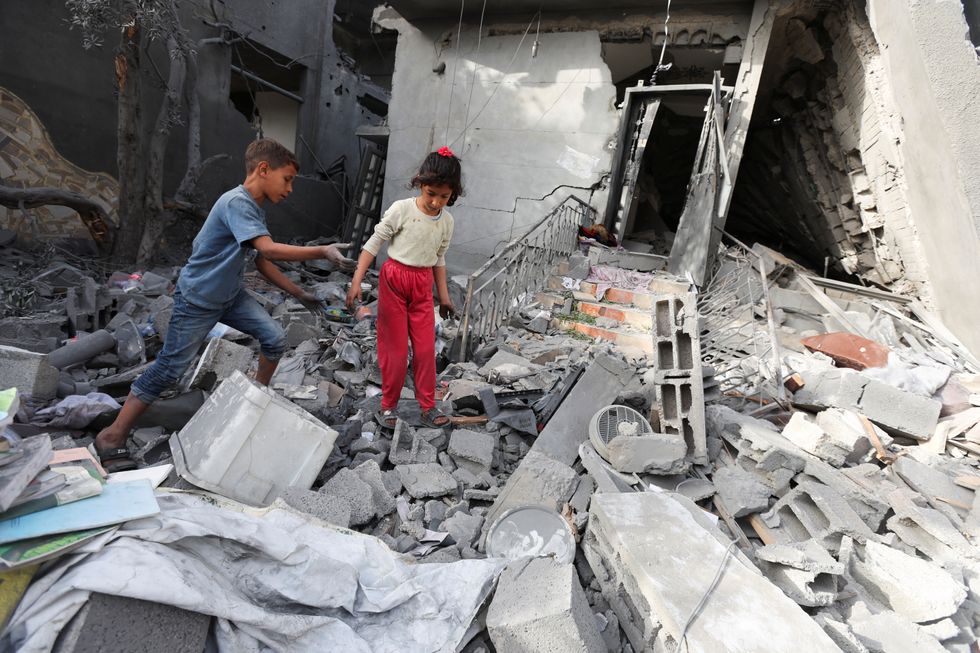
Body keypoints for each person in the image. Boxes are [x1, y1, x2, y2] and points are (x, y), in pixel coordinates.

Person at [95, 138, 353, 471]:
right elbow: (270, 249)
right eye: (287, 179)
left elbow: (260, 260)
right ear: (263, 169)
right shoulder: (237, 202)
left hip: (230, 297)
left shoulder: (253, 208)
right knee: (170, 369)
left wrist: (299, 294)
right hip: (198, 300)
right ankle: (112, 436)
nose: (290, 189)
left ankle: (256, 402)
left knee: (274, 338)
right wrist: (322, 251)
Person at [345, 147, 462, 430]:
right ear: (421, 184)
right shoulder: (402, 209)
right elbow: (373, 244)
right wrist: (356, 280)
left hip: (422, 286)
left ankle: (427, 406)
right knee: (395, 351)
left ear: (453, 195)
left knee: (424, 350)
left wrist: (444, 297)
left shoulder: (447, 222)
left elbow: (439, 259)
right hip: (395, 280)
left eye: (444, 196)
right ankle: (388, 406)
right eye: (431, 193)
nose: (435, 202)